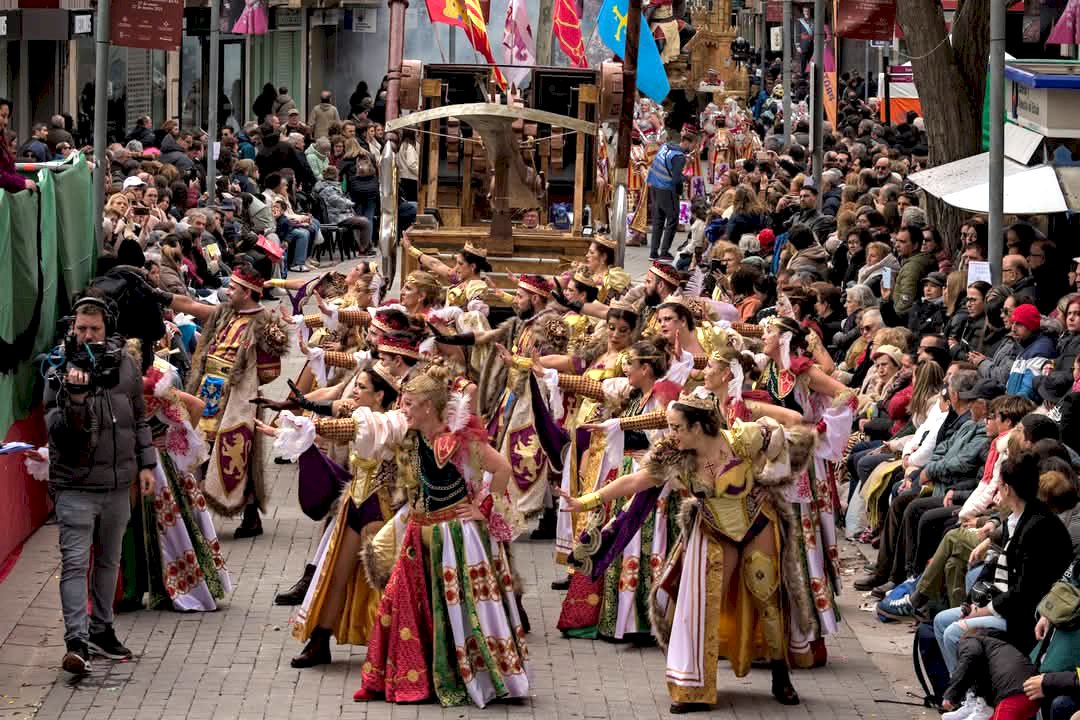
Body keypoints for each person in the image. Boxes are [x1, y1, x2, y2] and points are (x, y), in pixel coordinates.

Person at [561, 388, 813, 711]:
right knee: (702, 605)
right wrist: (585, 501)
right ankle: (696, 686)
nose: (672, 434)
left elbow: (784, 444)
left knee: (766, 593)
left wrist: (767, 480)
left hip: (756, 524)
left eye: (677, 427)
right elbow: (635, 482)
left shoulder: (742, 438)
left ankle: (781, 674)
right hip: (715, 529)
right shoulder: (676, 457)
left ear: (697, 427)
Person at [351, 364, 530, 707]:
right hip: (418, 531)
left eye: (409, 405)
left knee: (457, 610)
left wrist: (484, 508)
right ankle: (388, 678)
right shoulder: (412, 436)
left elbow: (502, 468)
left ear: (428, 408)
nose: (403, 410)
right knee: (396, 601)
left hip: (454, 535)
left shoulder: (458, 440)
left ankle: (456, 676)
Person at [43, 296, 156, 674]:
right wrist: (75, 401)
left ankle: (102, 629)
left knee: (109, 561)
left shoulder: (125, 364)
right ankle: (76, 642)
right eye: (81, 329)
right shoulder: (58, 368)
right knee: (75, 564)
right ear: (71, 328)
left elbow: (140, 419)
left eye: (95, 329)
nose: (88, 336)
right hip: (75, 486)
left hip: (117, 483)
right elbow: (58, 432)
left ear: (107, 329)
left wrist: (146, 465)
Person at [162, 260, 289, 538]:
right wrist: (161, 296)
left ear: (247, 291)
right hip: (208, 391)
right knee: (198, 448)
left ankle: (246, 516)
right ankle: (195, 513)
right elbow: (193, 306)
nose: (227, 291)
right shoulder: (224, 313)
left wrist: (243, 377)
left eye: (233, 287)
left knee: (234, 453)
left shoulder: (264, 322)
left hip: (236, 397)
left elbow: (270, 372)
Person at [647, 126, 699, 260]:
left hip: (654, 185)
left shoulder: (666, 147)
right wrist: (683, 181)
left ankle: (653, 252)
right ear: (687, 143)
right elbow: (676, 179)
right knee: (672, 220)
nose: (693, 148)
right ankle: (664, 252)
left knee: (658, 220)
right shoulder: (679, 157)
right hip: (666, 188)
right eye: (693, 145)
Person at [0, 97, 37, 193]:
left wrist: (24, 180)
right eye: (3, 116)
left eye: (7, 117)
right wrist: (22, 182)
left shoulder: (3, 140)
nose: (6, 122)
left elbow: (9, 172)